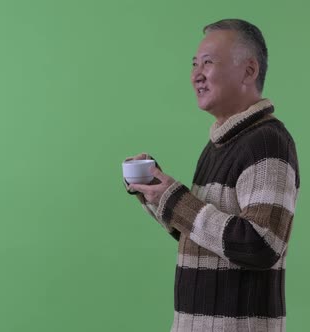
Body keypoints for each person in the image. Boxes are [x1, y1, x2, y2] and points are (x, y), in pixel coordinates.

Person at [123, 19, 299, 331]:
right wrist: (154, 191)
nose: (195, 75)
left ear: (249, 71)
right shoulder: (222, 142)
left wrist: (176, 201)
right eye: (194, 64)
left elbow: (261, 245)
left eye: (208, 62)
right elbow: (206, 237)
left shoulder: (267, 142)